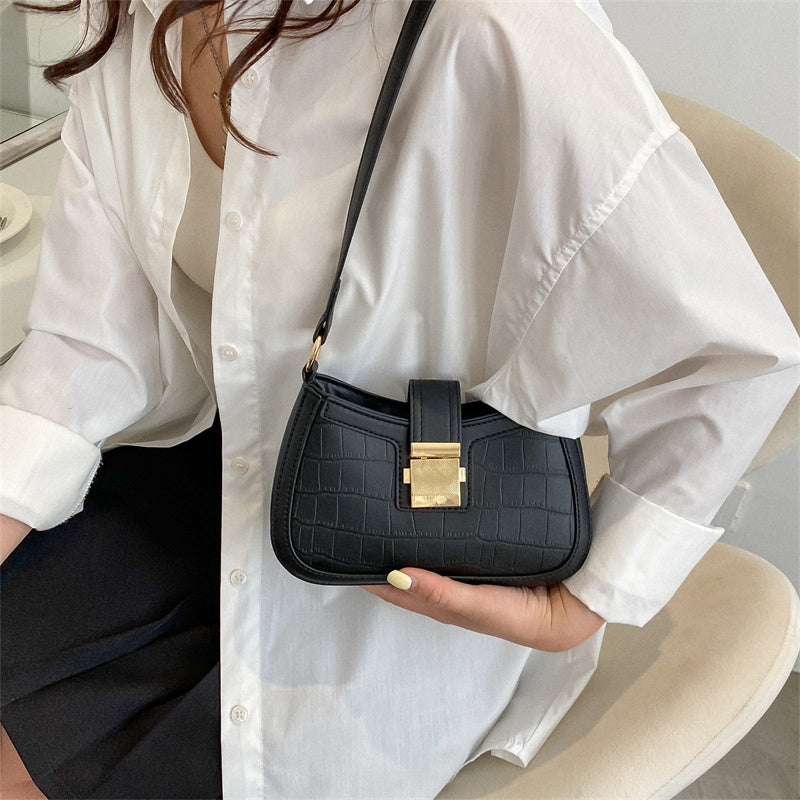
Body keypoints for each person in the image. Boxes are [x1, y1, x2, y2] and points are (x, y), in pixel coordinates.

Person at [1, 0, 797, 797]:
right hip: (194, 473)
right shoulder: (126, 18)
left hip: (397, 553)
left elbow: (736, 354)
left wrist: (585, 604)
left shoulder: (495, 29)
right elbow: (91, 340)